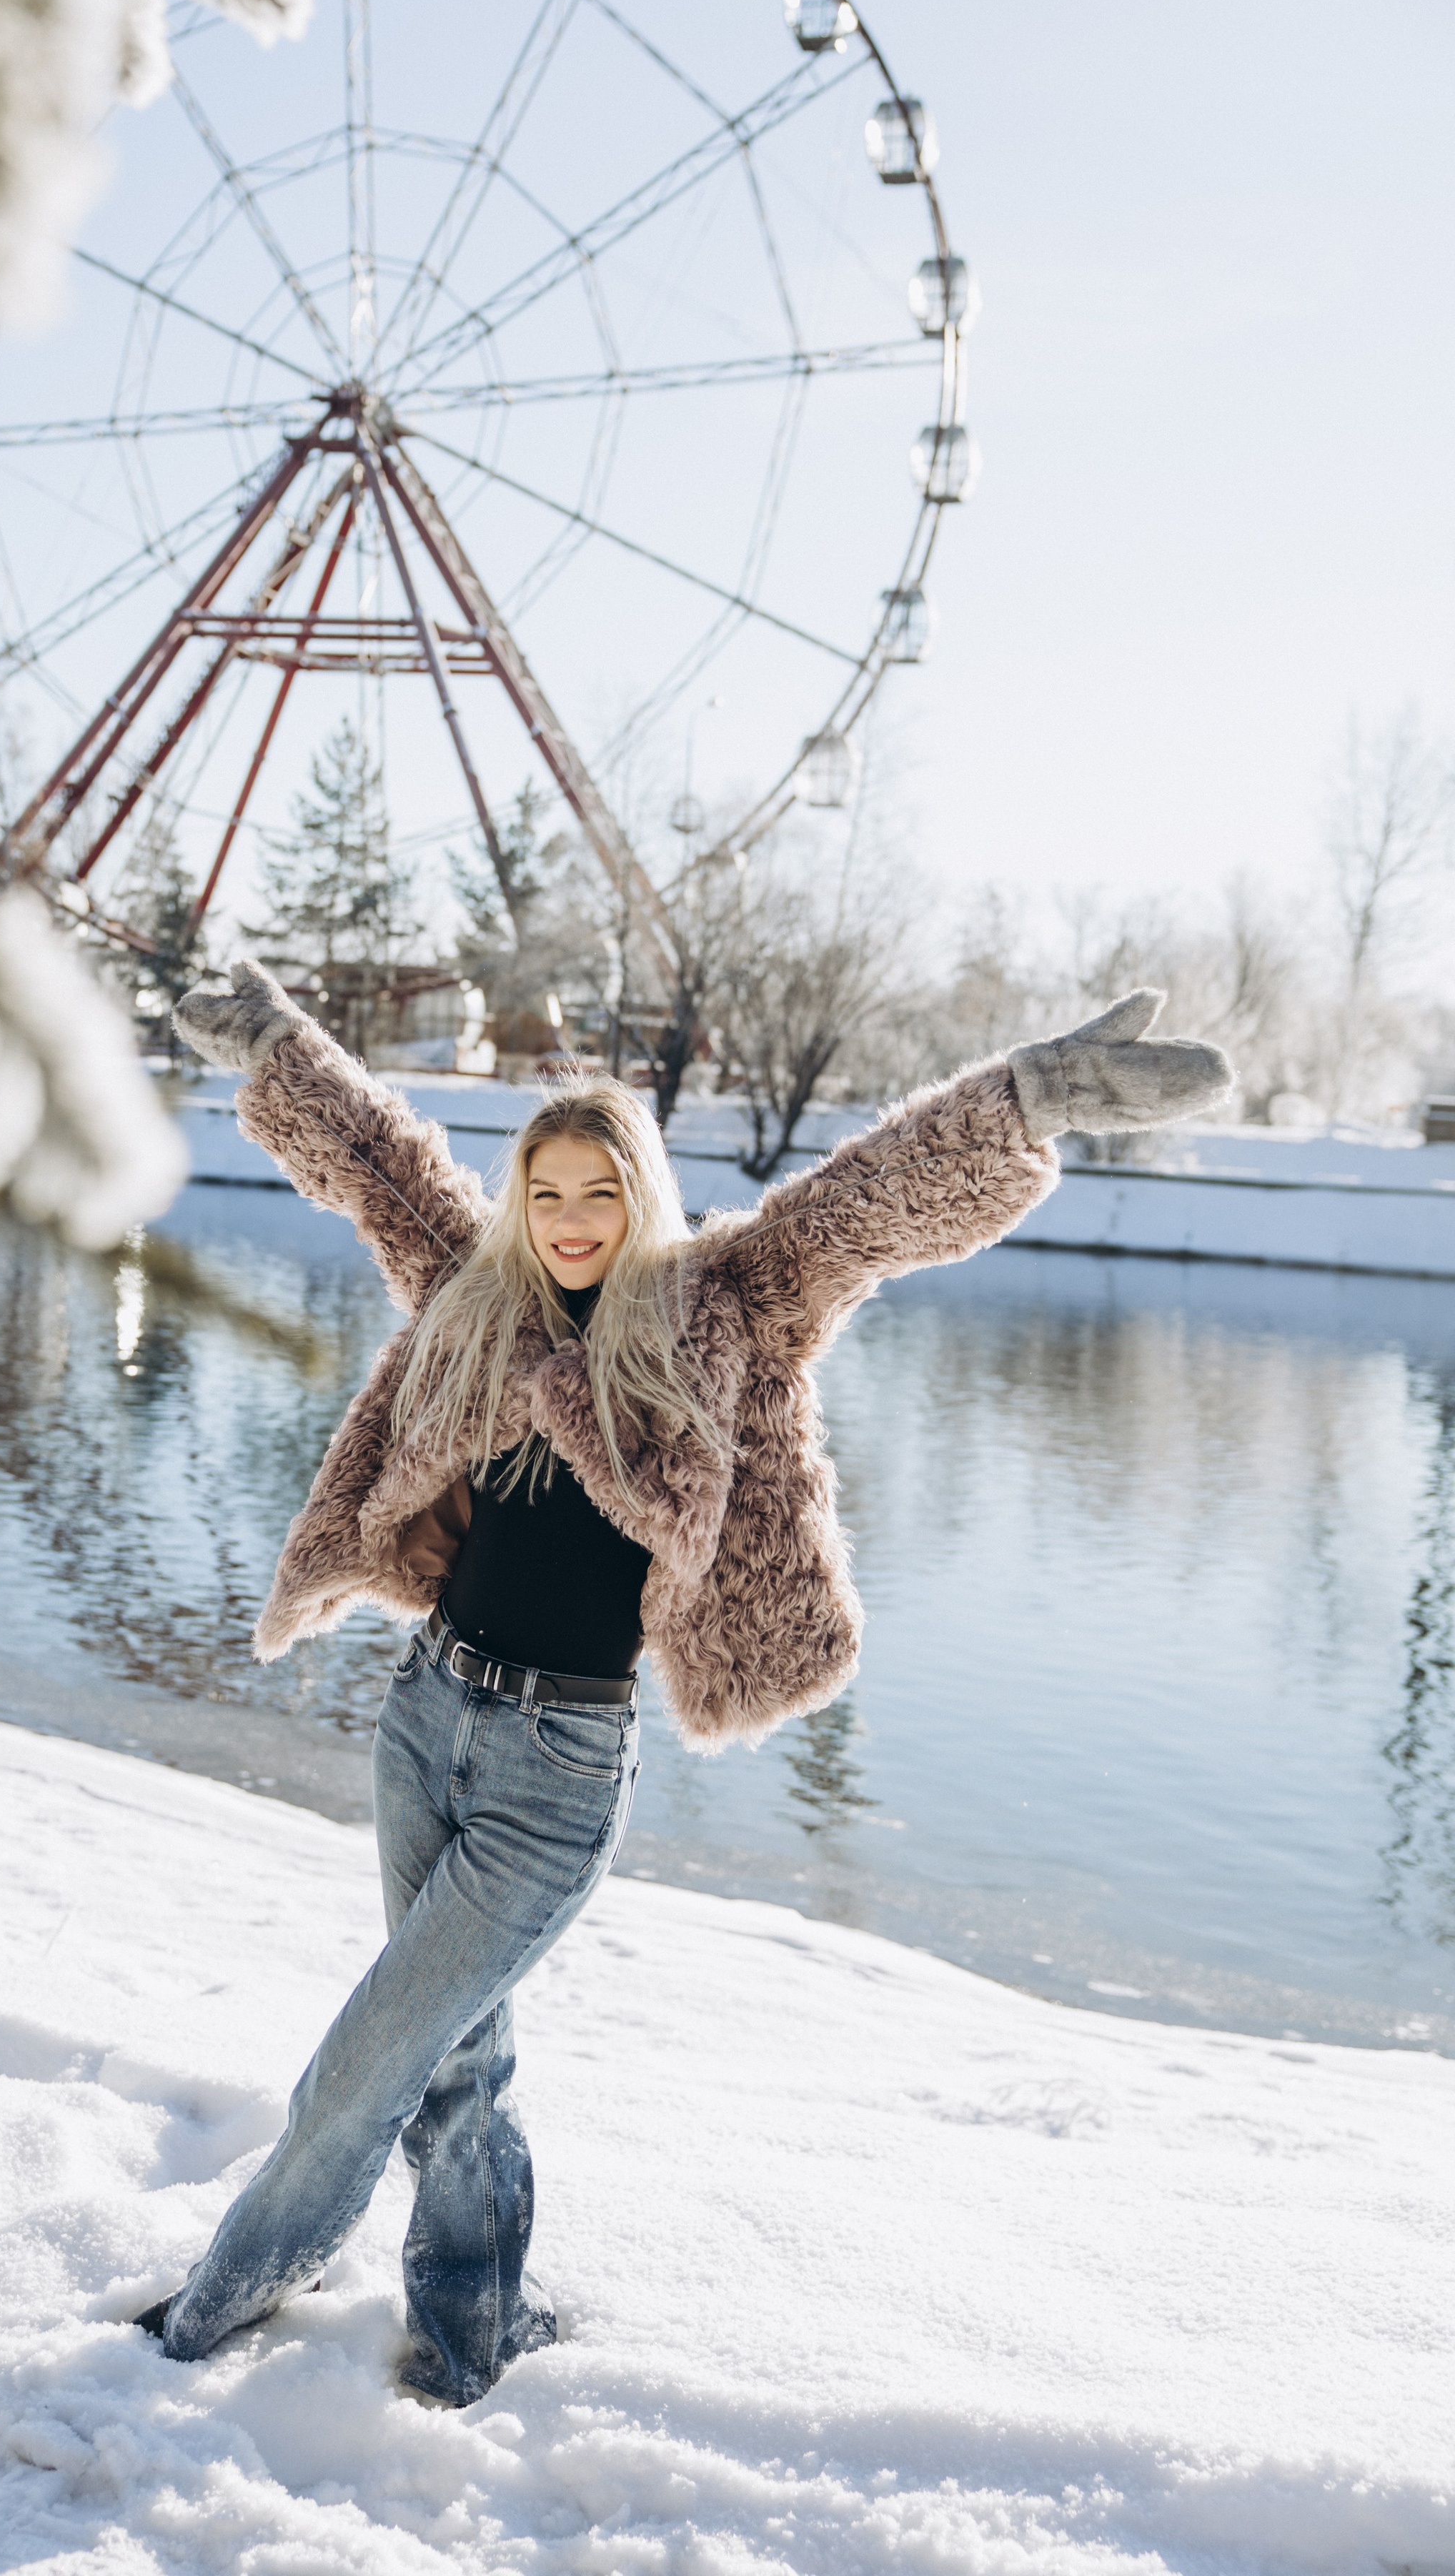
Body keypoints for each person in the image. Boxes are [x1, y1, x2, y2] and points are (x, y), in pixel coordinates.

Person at [134, 966, 1230, 2404]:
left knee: (362, 2070)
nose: (571, 1222)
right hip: (423, 1722)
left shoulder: (727, 1309)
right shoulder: (482, 1296)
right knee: (457, 2068)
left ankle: (209, 2316)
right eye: (546, 1197)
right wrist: (279, 1050)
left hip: (556, 1772)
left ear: (639, 1194)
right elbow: (377, 1170)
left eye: (598, 1193)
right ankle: (467, 2337)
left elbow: (867, 1203)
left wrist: (1032, 1096)